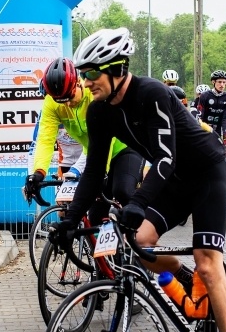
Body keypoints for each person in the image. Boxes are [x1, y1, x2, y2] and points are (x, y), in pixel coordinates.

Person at [50, 28, 226, 332]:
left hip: (206, 173)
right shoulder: (98, 111)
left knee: (208, 262)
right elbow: (93, 171)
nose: (86, 82)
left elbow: (165, 158)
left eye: (92, 74)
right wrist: (70, 220)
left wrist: (137, 202)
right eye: (84, 75)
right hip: (172, 180)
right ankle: (186, 279)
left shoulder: (152, 93)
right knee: (138, 243)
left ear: (116, 69)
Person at [24, 57, 143, 223]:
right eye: (61, 101)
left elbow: (109, 137)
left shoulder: (93, 93)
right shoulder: (52, 103)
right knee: (95, 217)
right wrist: (38, 172)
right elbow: (45, 139)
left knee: (122, 191)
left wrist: (102, 171)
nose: (67, 104)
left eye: (70, 97)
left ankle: (141, 233)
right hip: (95, 153)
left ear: (78, 84)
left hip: (124, 148)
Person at [197, 70, 226, 144]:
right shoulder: (205, 95)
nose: (222, 85)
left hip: (218, 130)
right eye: (219, 82)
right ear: (213, 82)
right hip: (205, 128)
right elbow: (200, 115)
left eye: (224, 82)